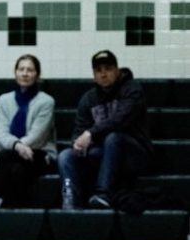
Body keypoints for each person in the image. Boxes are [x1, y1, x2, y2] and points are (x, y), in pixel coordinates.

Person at [57, 50, 154, 210]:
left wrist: (90, 133)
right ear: (94, 75)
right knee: (65, 156)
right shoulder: (88, 99)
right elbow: (78, 130)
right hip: (102, 155)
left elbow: (120, 120)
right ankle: (71, 204)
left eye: (108, 69)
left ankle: (103, 194)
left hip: (135, 155)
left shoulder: (132, 89)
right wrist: (77, 143)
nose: (103, 74)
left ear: (117, 70)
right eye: (98, 70)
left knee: (114, 138)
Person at [0, 55, 57, 208]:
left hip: (39, 153)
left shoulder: (46, 101)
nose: (25, 73)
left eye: (30, 70)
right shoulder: (3, 100)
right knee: (17, 170)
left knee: (4, 157)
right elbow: (2, 134)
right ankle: (18, 215)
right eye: (21, 69)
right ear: (15, 72)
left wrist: (12, 148)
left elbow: (37, 136)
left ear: (37, 74)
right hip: (11, 156)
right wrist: (16, 146)